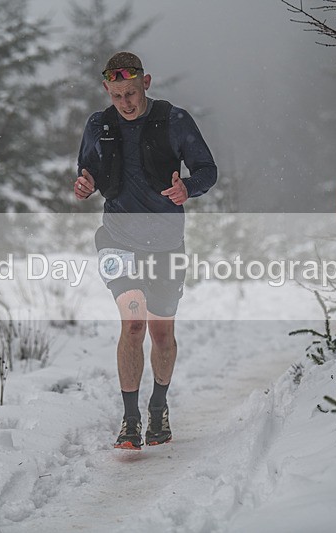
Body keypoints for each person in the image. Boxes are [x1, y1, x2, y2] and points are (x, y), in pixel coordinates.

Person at [75, 51, 217, 450]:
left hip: (167, 243)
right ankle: (130, 419)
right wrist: (83, 185)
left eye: (132, 93)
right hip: (117, 238)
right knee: (133, 323)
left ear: (147, 83)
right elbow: (85, 173)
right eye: (117, 95)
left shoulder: (174, 120)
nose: (126, 103)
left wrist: (189, 187)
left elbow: (208, 169)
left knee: (161, 331)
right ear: (107, 89)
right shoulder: (98, 125)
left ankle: (158, 406)